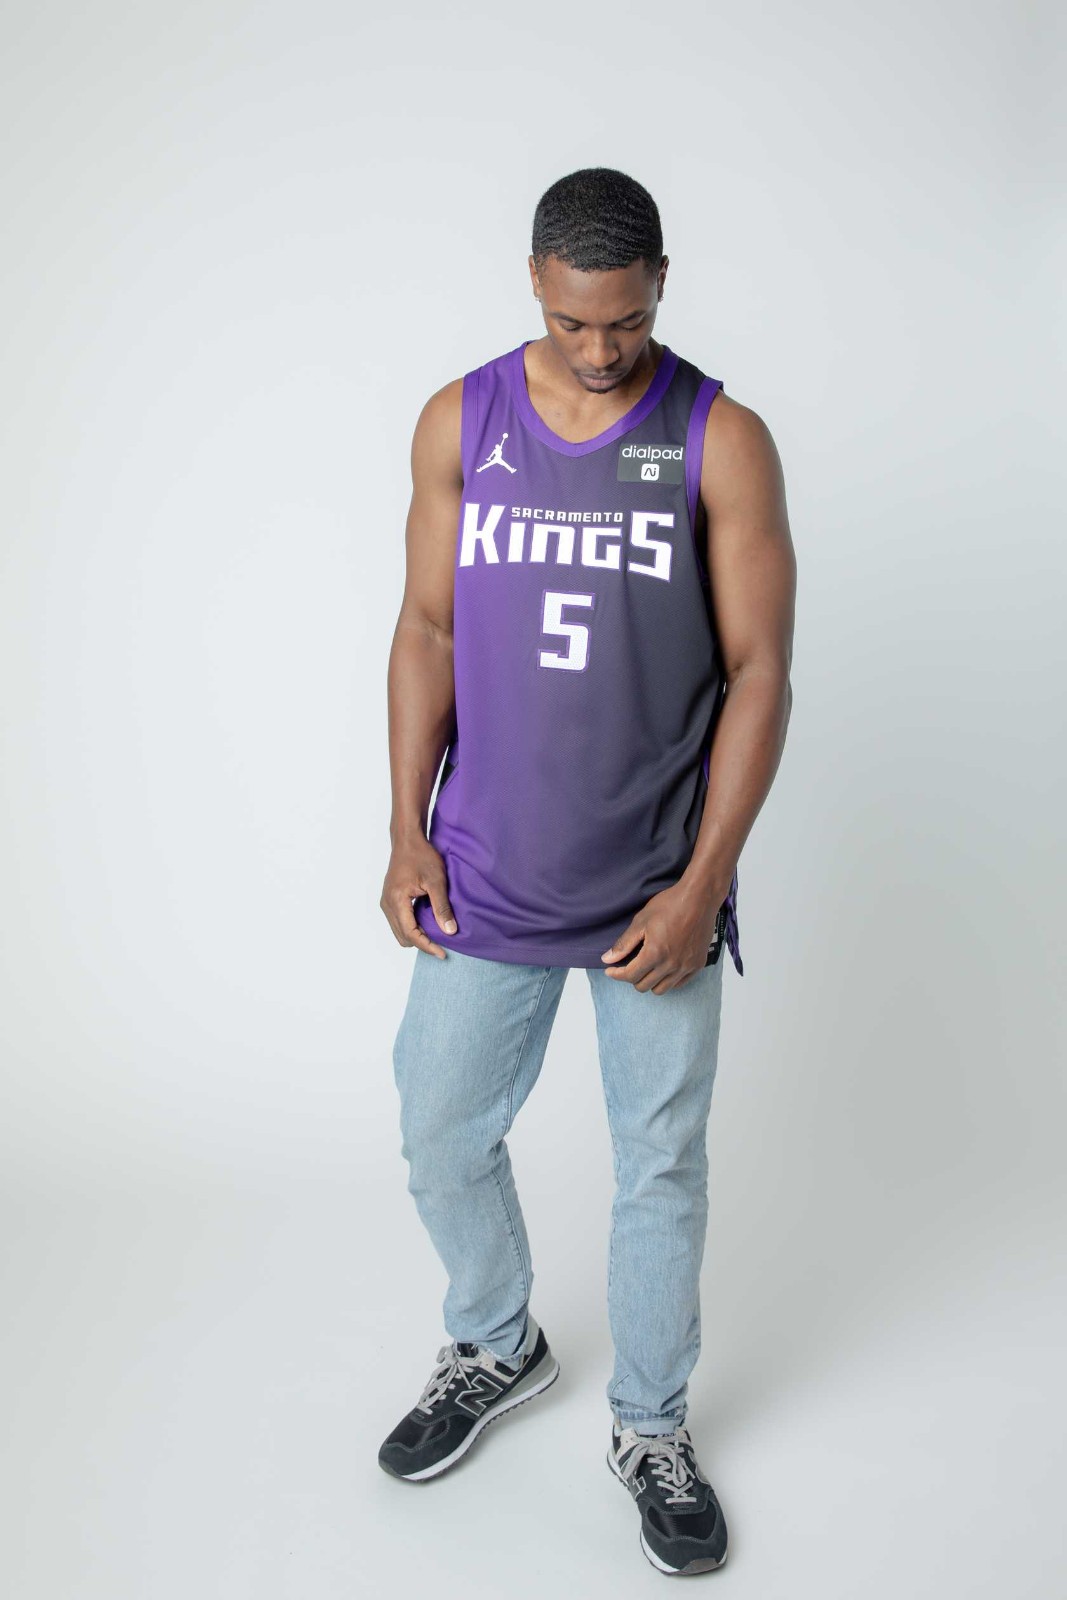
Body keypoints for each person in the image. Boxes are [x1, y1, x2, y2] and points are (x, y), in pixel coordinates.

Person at [377, 166, 796, 1577]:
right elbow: (428, 629)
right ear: (535, 286)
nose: (601, 349)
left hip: (652, 885)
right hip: (486, 867)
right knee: (440, 1129)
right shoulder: (463, 419)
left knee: (659, 1166)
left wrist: (704, 882)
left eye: (624, 321)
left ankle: (651, 1425)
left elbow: (760, 673)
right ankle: (498, 1343)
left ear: (660, 282)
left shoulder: (720, 437)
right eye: (572, 323)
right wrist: (405, 827)